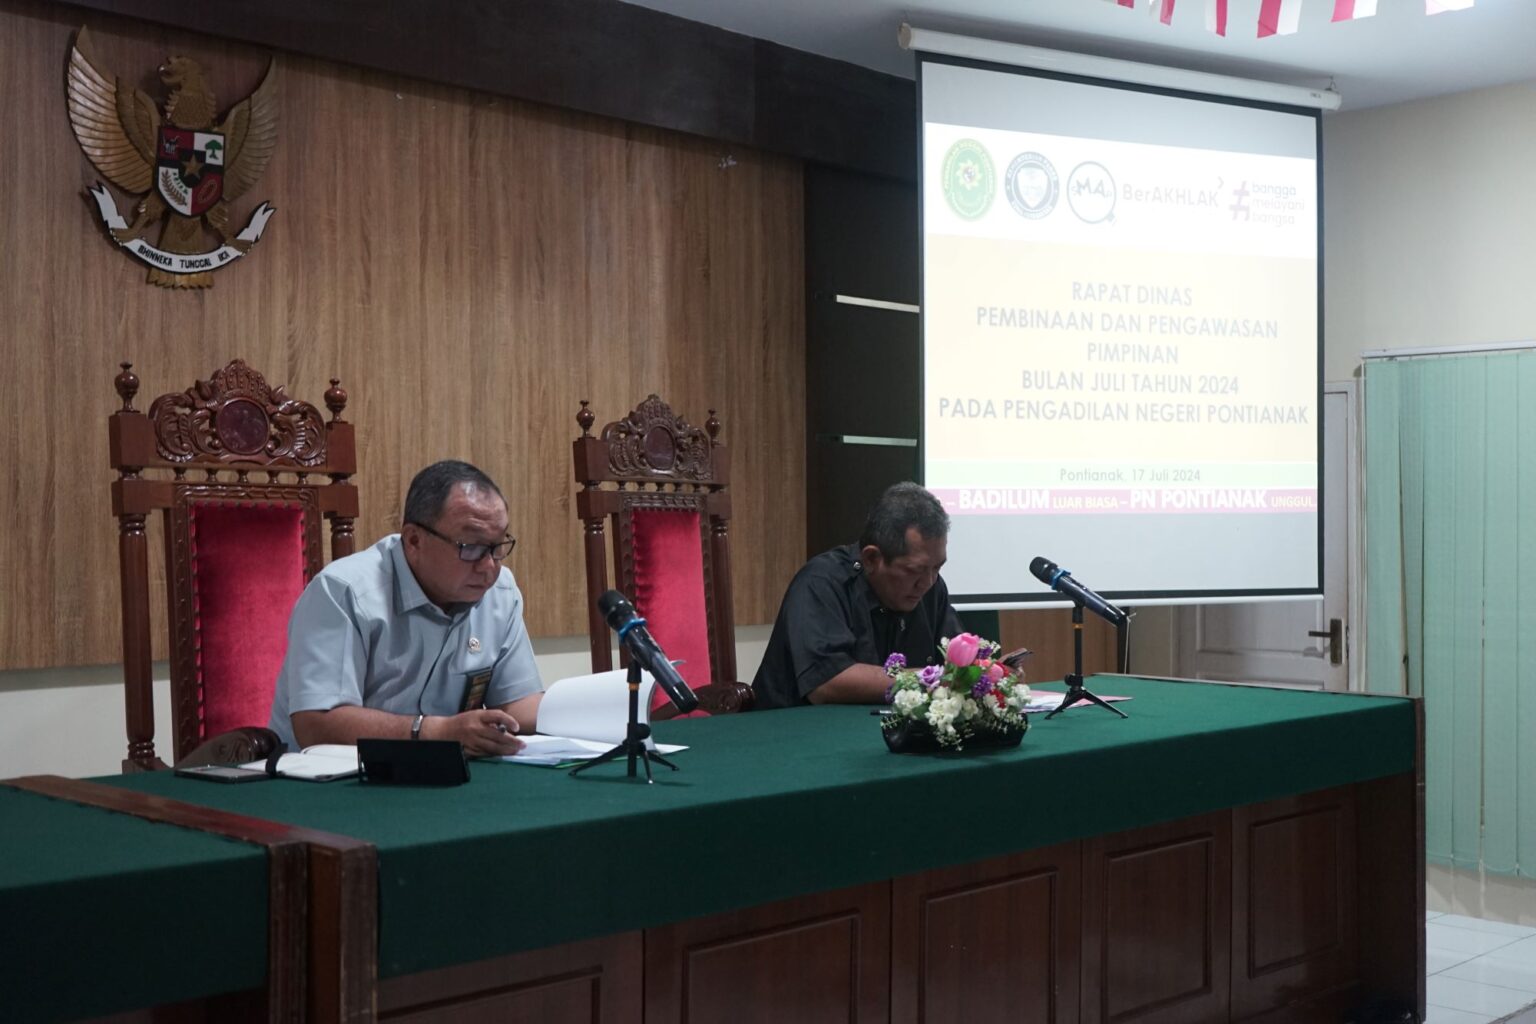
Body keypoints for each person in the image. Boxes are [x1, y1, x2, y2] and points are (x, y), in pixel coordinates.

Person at [268, 460, 541, 756]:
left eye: (497, 546)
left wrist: (577, 712)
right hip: (327, 775)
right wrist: (437, 733)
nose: (489, 567)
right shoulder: (343, 592)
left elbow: (517, 704)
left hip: (438, 773)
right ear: (413, 540)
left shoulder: (499, 592)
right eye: (471, 547)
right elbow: (317, 725)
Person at [752, 482, 963, 709]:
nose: (928, 583)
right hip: (792, 725)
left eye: (937, 568)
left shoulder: (931, 587)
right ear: (871, 559)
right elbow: (828, 682)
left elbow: (958, 660)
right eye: (914, 570)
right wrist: (930, 679)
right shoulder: (821, 582)